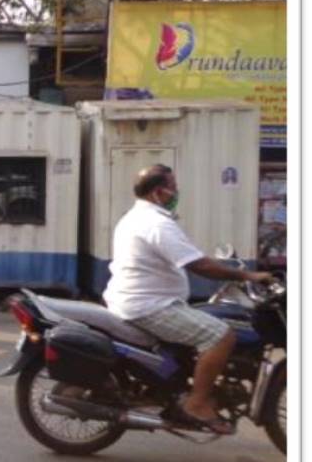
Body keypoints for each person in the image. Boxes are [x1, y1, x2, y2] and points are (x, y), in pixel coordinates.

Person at [102, 164, 273, 434]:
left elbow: (190, 257)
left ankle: (178, 387)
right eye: (173, 187)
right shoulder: (156, 223)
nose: (177, 192)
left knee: (207, 320)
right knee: (221, 336)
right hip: (149, 306)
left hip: (139, 300)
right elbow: (199, 265)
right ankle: (197, 403)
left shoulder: (135, 217)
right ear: (158, 192)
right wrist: (247, 275)